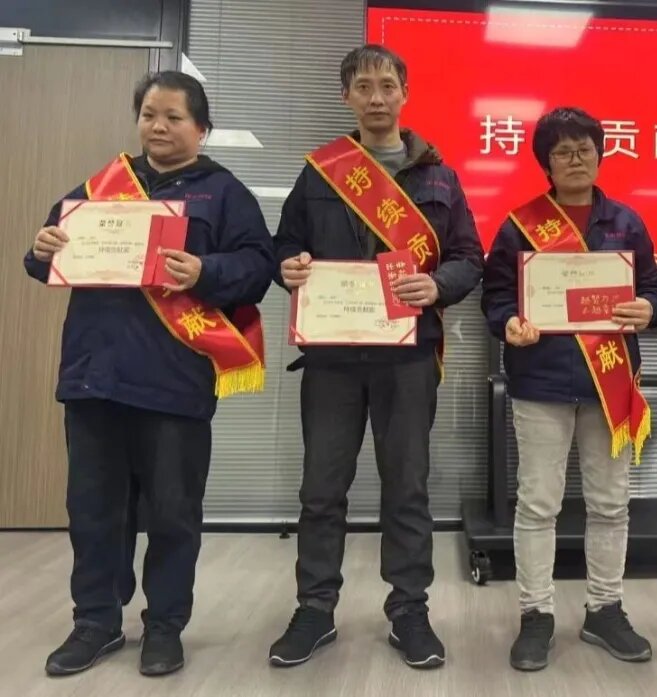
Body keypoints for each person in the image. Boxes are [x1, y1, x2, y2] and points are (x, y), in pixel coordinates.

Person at [27, 71, 275, 677]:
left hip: (174, 382)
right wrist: (40, 249)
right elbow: (48, 257)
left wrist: (205, 271)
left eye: (173, 117)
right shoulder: (103, 187)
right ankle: (96, 622)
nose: (158, 127)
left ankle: (165, 625)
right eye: (149, 115)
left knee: (172, 512)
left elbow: (257, 268)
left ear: (202, 128)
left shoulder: (224, 193)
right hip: (95, 376)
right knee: (94, 510)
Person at [268, 44, 483, 670]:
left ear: (405, 93)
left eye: (387, 85)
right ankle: (314, 609)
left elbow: (469, 257)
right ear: (347, 97)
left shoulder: (440, 178)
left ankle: (409, 612)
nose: (377, 97)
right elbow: (284, 246)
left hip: (407, 357)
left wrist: (437, 286)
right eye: (363, 86)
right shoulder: (320, 173)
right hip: (331, 357)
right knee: (321, 488)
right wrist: (288, 267)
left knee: (407, 488)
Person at [482, 106, 657, 671]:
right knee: (538, 503)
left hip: (610, 383)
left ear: (600, 154)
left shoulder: (627, 223)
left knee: (610, 503)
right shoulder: (519, 225)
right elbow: (496, 296)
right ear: (547, 163)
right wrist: (509, 322)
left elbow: (656, 290)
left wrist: (648, 308)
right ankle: (535, 614)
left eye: (584, 149)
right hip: (540, 381)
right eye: (563, 152)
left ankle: (604, 609)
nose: (576, 159)